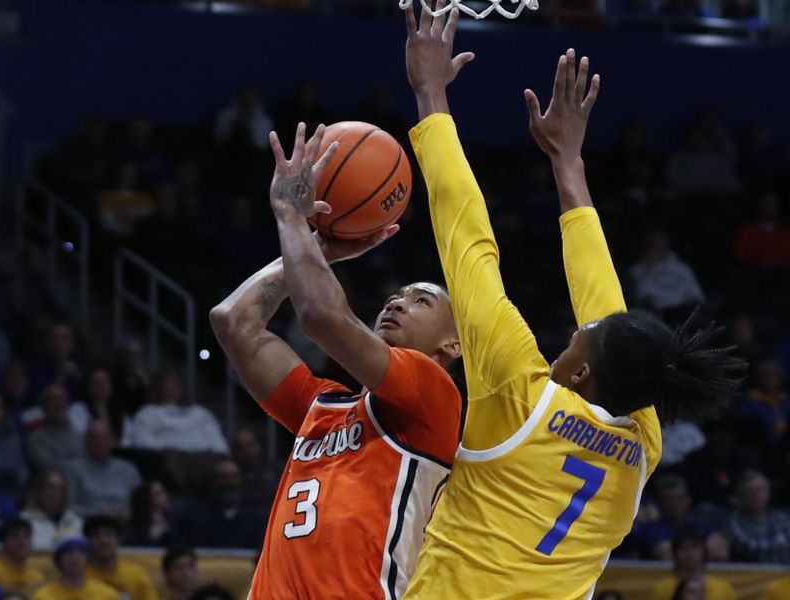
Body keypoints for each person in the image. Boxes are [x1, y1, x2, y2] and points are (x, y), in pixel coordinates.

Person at [402, 4, 745, 598]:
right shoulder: (641, 442)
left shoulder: (520, 394)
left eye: (570, 346)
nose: (562, 347)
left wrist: (431, 95)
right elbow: (601, 310)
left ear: (582, 370)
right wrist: (566, 164)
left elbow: (467, 237)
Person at [209, 125, 463, 597]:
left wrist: (291, 218)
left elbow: (321, 317)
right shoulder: (321, 407)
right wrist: (318, 250)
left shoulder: (433, 396)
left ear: (453, 345)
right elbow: (233, 321)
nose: (397, 301)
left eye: (421, 301)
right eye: (395, 294)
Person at [65, 420, 142, 518]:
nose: (99, 441)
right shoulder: (72, 469)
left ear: (112, 441)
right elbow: (67, 507)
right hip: (89, 524)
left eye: (104, 437)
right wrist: (100, 514)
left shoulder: (128, 469)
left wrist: (126, 514)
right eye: (94, 437)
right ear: (86, 441)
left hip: (125, 522)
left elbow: (140, 504)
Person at [84, 514, 159, 600]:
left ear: (119, 540)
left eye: (108, 535)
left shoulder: (135, 575)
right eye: (95, 536)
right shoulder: (81, 575)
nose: (102, 540)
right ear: (87, 541)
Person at [723, 469, 790, 563]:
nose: (756, 495)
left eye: (760, 489)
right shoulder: (731, 524)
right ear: (740, 495)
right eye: (750, 491)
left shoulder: (783, 519)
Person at [651, 529, 735, 600]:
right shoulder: (663, 589)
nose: (690, 554)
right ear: (675, 554)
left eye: (695, 547)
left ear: (704, 551)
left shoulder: (723, 588)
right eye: (684, 548)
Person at [31, 536, 118, 600]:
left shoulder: (107, 594)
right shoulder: (42, 596)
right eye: (68, 552)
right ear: (58, 560)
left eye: (81, 552)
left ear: (88, 558)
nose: (74, 557)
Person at [20, 468, 83, 550]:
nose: (54, 493)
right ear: (39, 491)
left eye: (60, 489)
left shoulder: (75, 521)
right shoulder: (25, 521)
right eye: (50, 487)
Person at [25, 384, 83, 472]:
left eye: (62, 399)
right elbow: (48, 467)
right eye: (53, 400)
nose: (58, 404)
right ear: (44, 407)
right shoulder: (35, 439)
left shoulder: (79, 437)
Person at [0, 518, 47, 595]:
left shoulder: (37, 576)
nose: (22, 541)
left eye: (27, 536)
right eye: (14, 536)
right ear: (4, 543)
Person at [126, 479, 179, 547]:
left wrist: (168, 533)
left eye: (163, 492)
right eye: (158, 494)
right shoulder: (134, 529)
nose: (165, 496)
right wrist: (152, 539)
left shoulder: (175, 520)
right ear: (145, 499)